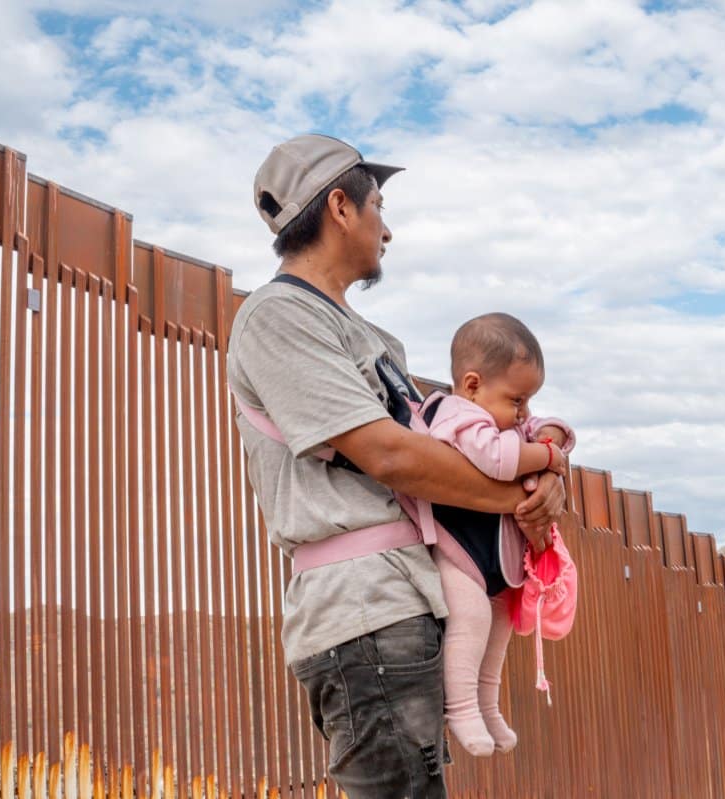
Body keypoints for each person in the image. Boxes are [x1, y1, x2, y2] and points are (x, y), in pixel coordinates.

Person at [227, 133, 568, 799]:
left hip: (407, 603)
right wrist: (521, 493)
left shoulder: (373, 339)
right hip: (364, 608)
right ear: (340, 207)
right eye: (378, 206)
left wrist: (548, 477)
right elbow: (390, 454)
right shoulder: (279, 315)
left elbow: (460, 446)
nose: (387, 229)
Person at [421, 313, 575, 757]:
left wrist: (549, 436)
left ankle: (488, 705)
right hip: (457, 551)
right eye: (518, 399)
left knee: (499, 629)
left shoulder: (504, 419)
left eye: (529, 400)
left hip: (494, 559)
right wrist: (548, 457)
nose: (524, 411)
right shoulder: (458, 417)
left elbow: (556, 429)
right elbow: (498, 461)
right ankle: (461, 708)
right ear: (473, 385)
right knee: (470, 621)